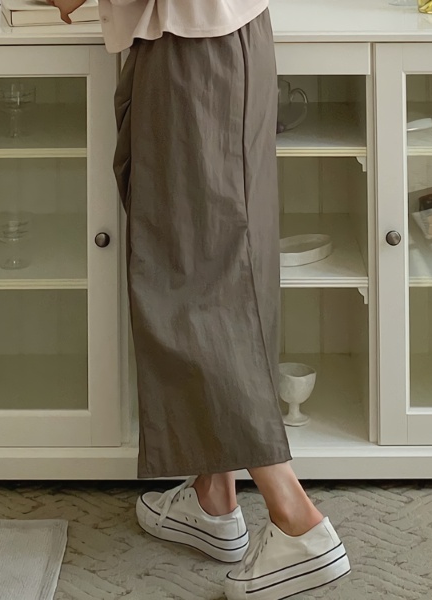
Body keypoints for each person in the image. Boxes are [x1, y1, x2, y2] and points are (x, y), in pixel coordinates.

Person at [49, 1, 351, 597]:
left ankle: (297, 520)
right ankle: (214, 496)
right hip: (216, 39)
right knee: (220, 271)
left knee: (196, 285)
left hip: (195, 53)